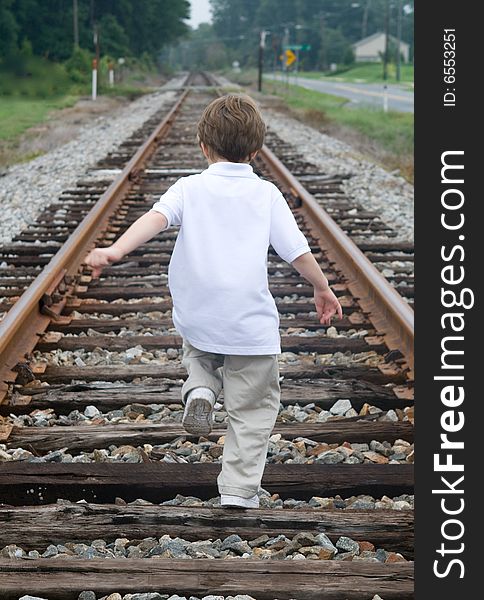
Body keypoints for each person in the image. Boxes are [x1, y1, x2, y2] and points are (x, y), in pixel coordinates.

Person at [84, 94, 342, 509]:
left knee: (199, 352)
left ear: (204, 146)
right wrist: (322, 287)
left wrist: (115, 250)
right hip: (250, 324)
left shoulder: (189, 187)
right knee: (253, 407)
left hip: (199, 313)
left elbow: (156, 218)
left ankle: (201, 389)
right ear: (256, 152)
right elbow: (296, 251)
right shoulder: (267, 194)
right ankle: (238, 491)